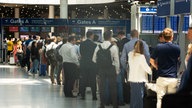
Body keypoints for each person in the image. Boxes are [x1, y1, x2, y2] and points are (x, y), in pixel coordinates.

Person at [150, 28, 180, 108]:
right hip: (173, 78)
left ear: (163, 36)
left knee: (160, 99)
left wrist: (156, 66)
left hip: (161, 77)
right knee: (172, 101)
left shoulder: (159, 47)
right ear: (172, 37)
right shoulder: (177, 48)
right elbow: (177, 59)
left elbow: (151, 60)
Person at [92, 30, 119, 108]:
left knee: (102, 88)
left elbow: (93, 59)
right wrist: (117, 71)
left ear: (103, 37)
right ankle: (115, 105)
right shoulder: (113, 47)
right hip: (111, 69)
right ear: (110, 37)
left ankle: (102, 104)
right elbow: (116, 60)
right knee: (113, 87)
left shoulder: (98, 46)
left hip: (101, 70)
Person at [128, 40, 152, 108]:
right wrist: (151, 68)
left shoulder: (130, 54)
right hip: (139, 81)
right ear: (142, 48)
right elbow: (147, 69)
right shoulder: (141, 57)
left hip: (132, 80)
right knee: (139, 100)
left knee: (133, 99)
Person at [79, 31, 97, 100]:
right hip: (92, 65)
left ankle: (83, 95)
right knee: (93, 80)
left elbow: (81, 53)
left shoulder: (82, 44)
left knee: (83, 79)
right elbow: (95, 56)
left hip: (83, 64)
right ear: (91, 35)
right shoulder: (94, 45)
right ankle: (94, 96)